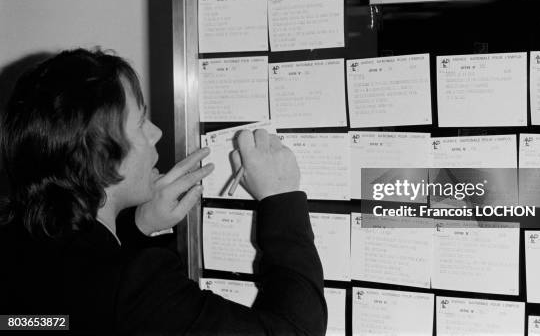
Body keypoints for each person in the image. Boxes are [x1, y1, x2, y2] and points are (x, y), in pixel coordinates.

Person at [0, 48, 327, 335]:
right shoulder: (134, 287)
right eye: (141, 122)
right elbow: (295, 330)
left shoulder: (17, 238)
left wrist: (137, 226)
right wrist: (280, 198)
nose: (156, 133)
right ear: (100, 157)